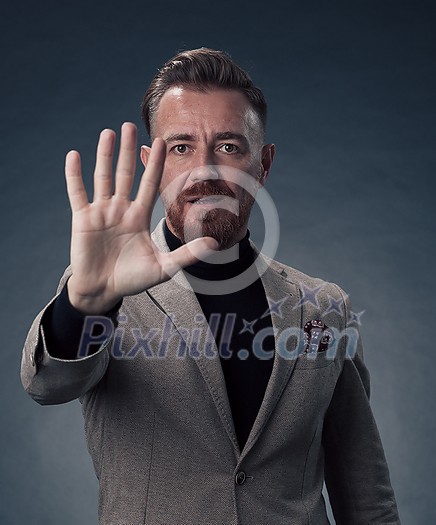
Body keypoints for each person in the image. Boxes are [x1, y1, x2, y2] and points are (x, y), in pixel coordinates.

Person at [21, 48, 401, 525]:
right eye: (181, 148)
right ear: (152, 164)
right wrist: (84, 305)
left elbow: (366, 495)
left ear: (262, 163)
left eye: (228, 146)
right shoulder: (103, 292)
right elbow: (47, 384)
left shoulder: (325, 309)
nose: (205, 170)